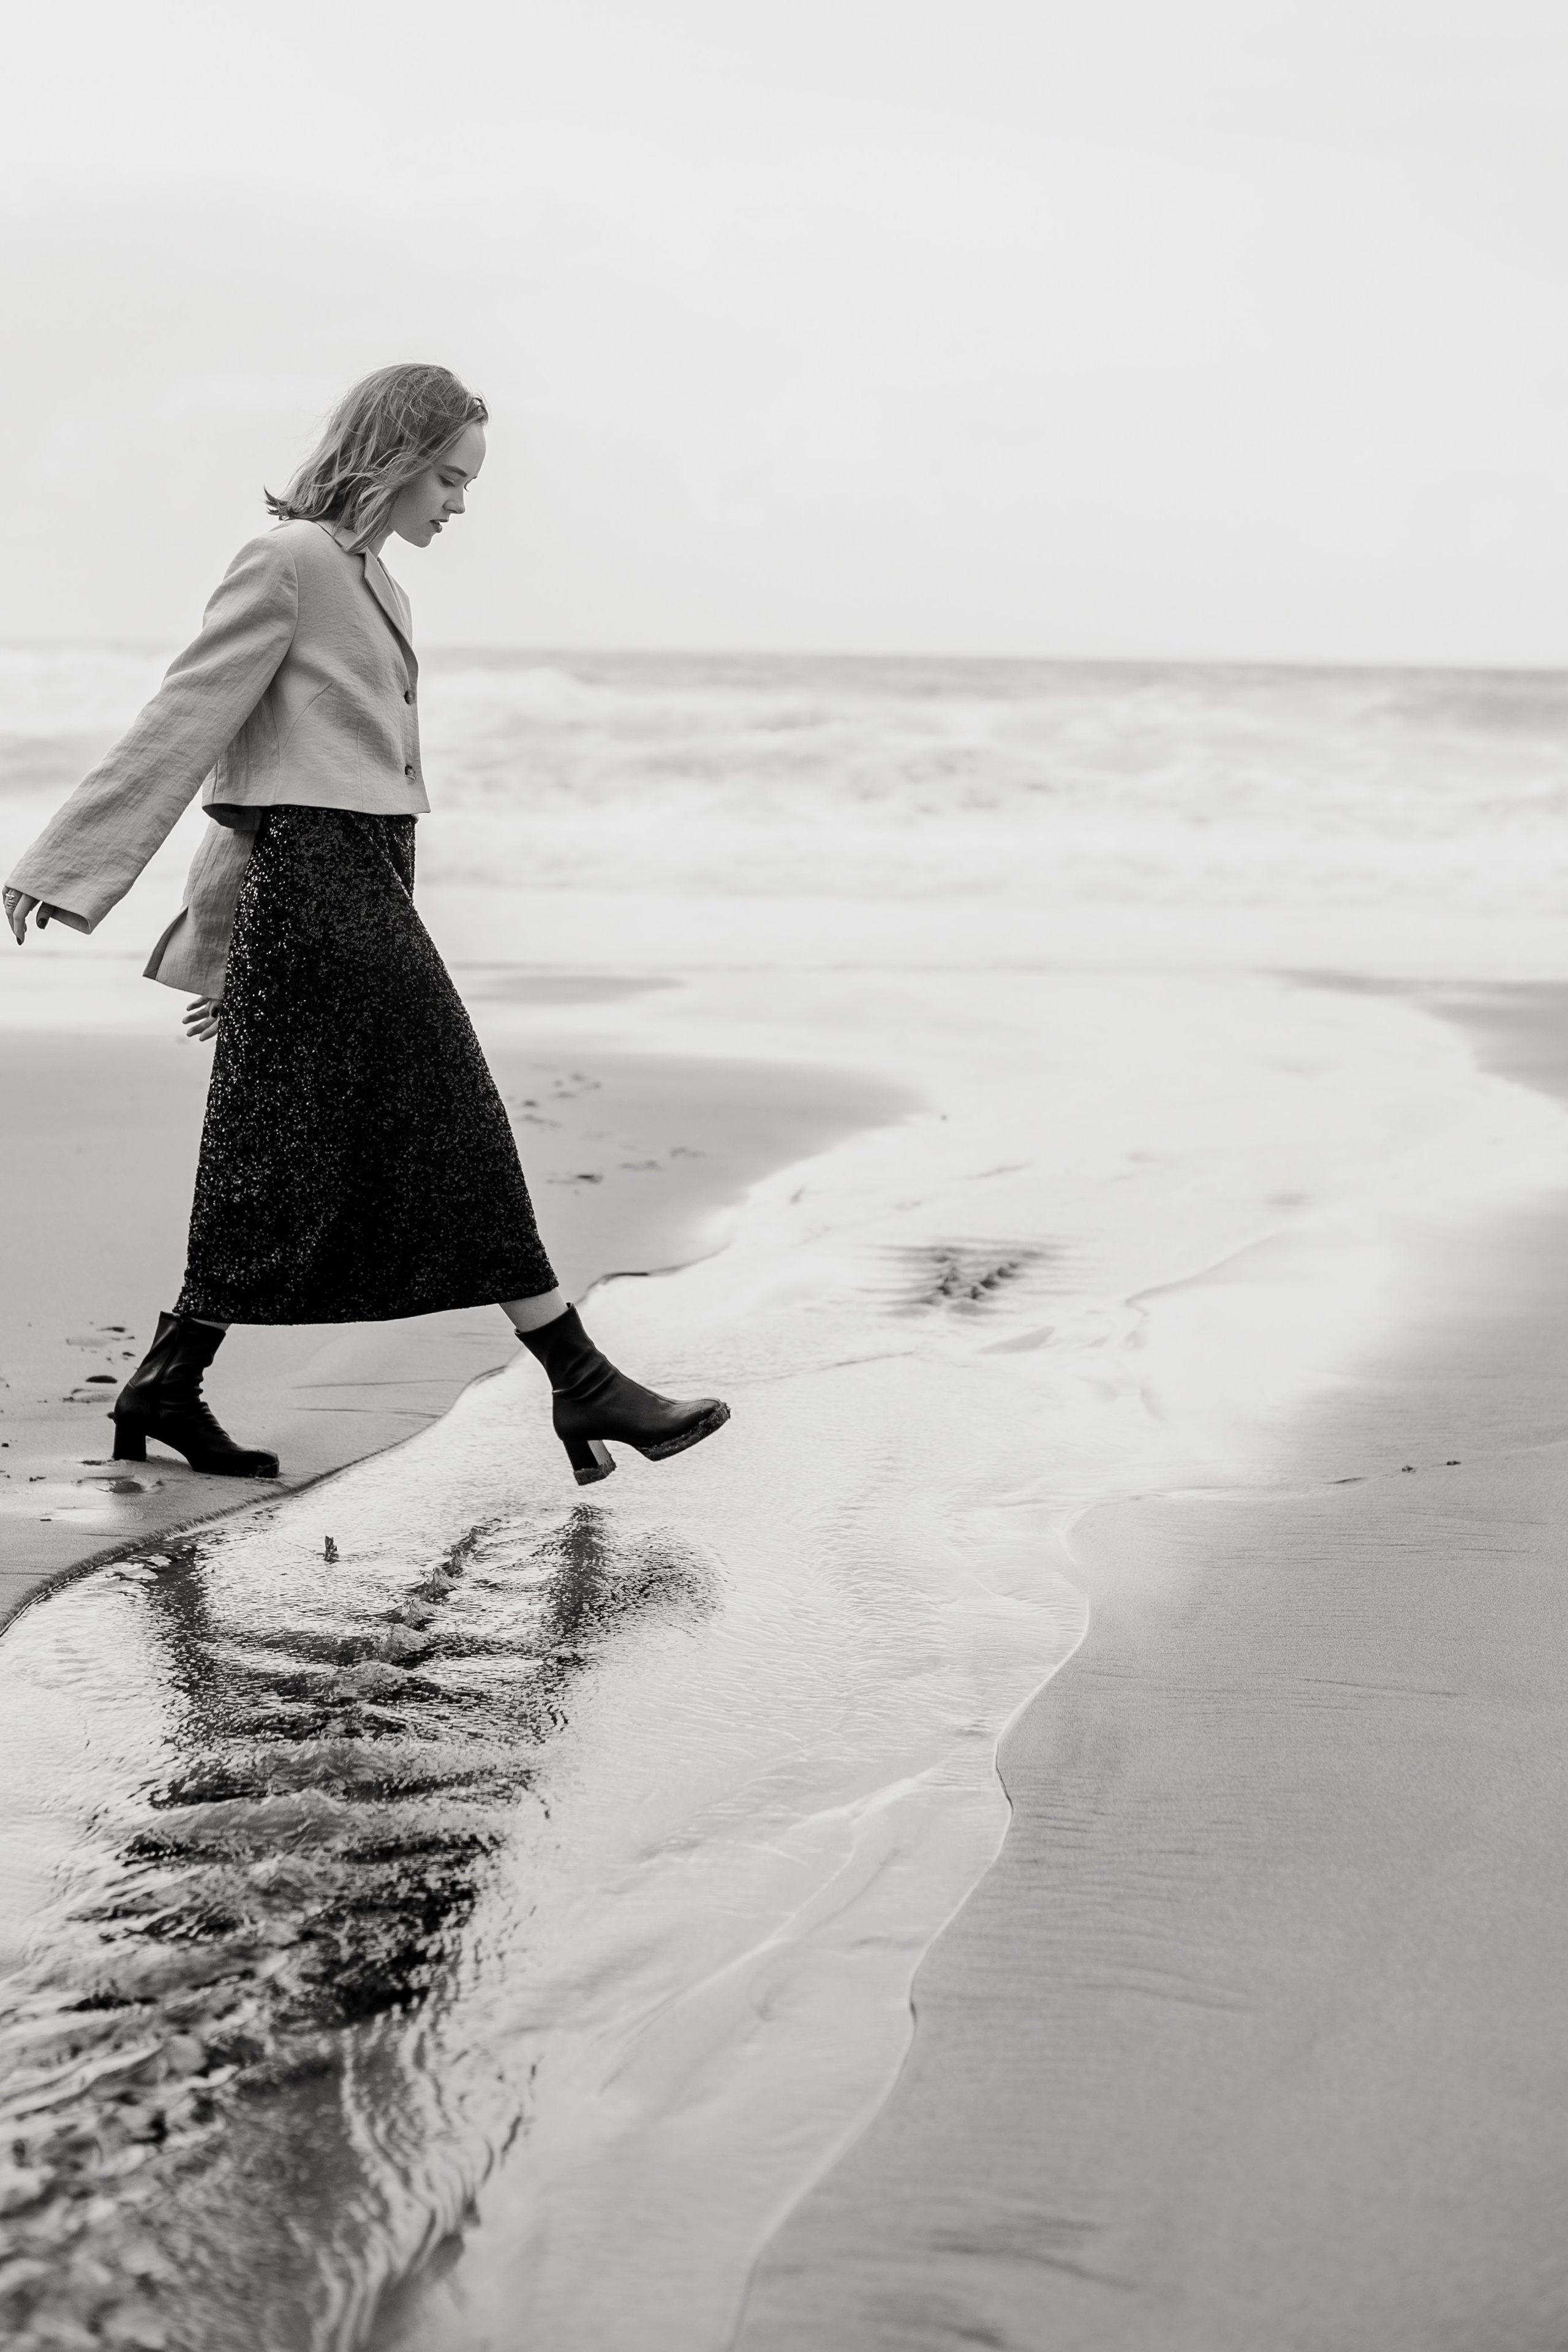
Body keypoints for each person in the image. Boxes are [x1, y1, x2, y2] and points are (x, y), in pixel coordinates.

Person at [3, 363, 728, 1488]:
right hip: (316, 881)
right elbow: (193, 722)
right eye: (447, 475)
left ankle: (169, 1377)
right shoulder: (289, 562)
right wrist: (72, 862)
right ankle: (579, 1377)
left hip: (363, 878)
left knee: (278, 1145)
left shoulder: (383, 585)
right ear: (390, 460)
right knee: (457, 1113)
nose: (460, 501)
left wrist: (245, 960)